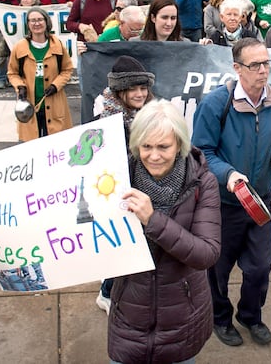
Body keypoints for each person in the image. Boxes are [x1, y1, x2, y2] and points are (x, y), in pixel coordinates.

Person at [192, 38, 271, 347]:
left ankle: (250, 316)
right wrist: (229, 174)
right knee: (218, 270)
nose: (263, 71)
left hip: (260, 201)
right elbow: (201, 152)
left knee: (261, 265)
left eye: (267, 64)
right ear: (237, 68)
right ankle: (220, 318)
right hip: (222, 204)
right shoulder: (215, 103)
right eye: (255, 65)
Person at [107, 100, 221, 364]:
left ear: (180, 145)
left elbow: (207, 253)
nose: (153, 156)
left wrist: (153, 220)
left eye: (163, 147)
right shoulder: (115, 179)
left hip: (181, 320)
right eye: (146, 146)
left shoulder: (203, 183)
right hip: (129, 317)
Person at [94, 55, 155, 314]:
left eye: (143, 88)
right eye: (134, 89)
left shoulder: (147, 112)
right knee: (124, 246)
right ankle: (107, 293)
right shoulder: (107, 120)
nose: (140, 94)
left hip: (142, 186)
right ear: (120, 90)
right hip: (119, 192)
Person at [7, 7, 74, 141]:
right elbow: (12, 73)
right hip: (29, 107)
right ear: (28, 24)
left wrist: (56, 85)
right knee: (31, 148)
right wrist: (20, 86)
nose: (36, 24)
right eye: (32, 21)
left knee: (55, 147)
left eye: (39, 20)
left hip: (55, 106)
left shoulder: (58, 45)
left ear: (46, 22)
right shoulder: (19, 47)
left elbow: (67, 70)